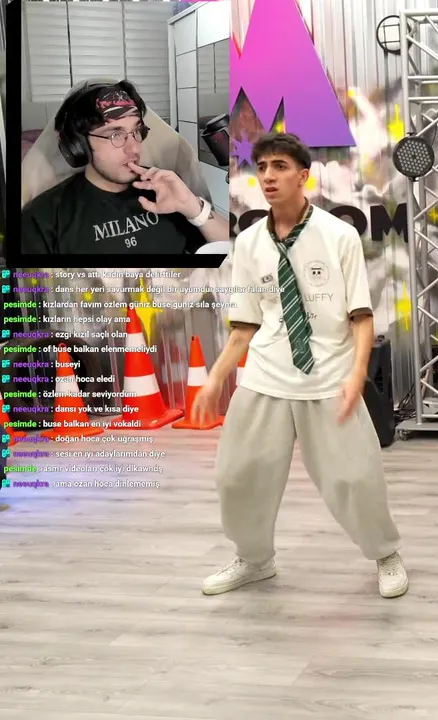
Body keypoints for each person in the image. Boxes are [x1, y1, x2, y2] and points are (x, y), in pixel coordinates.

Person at [191, 132, 408, 599]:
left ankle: (385, 553)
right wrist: (214, 380)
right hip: (265, 375)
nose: (268, 176)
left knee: (355, 478)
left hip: (328, 378)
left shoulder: (339, 235)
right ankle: (254, 560)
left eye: (280, 167)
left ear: (303, 176)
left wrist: (357, 375)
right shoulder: (249, 242)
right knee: (237, 476)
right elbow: (245, 325)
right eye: (262, 168)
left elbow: (362, 317)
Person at [20, 80, 228, 255]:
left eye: (136, 131)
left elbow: (237, 259)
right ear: (78, 146)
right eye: (116, 135)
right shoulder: (42, 219)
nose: (134, 148)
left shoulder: (166, 188)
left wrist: (193, 207)